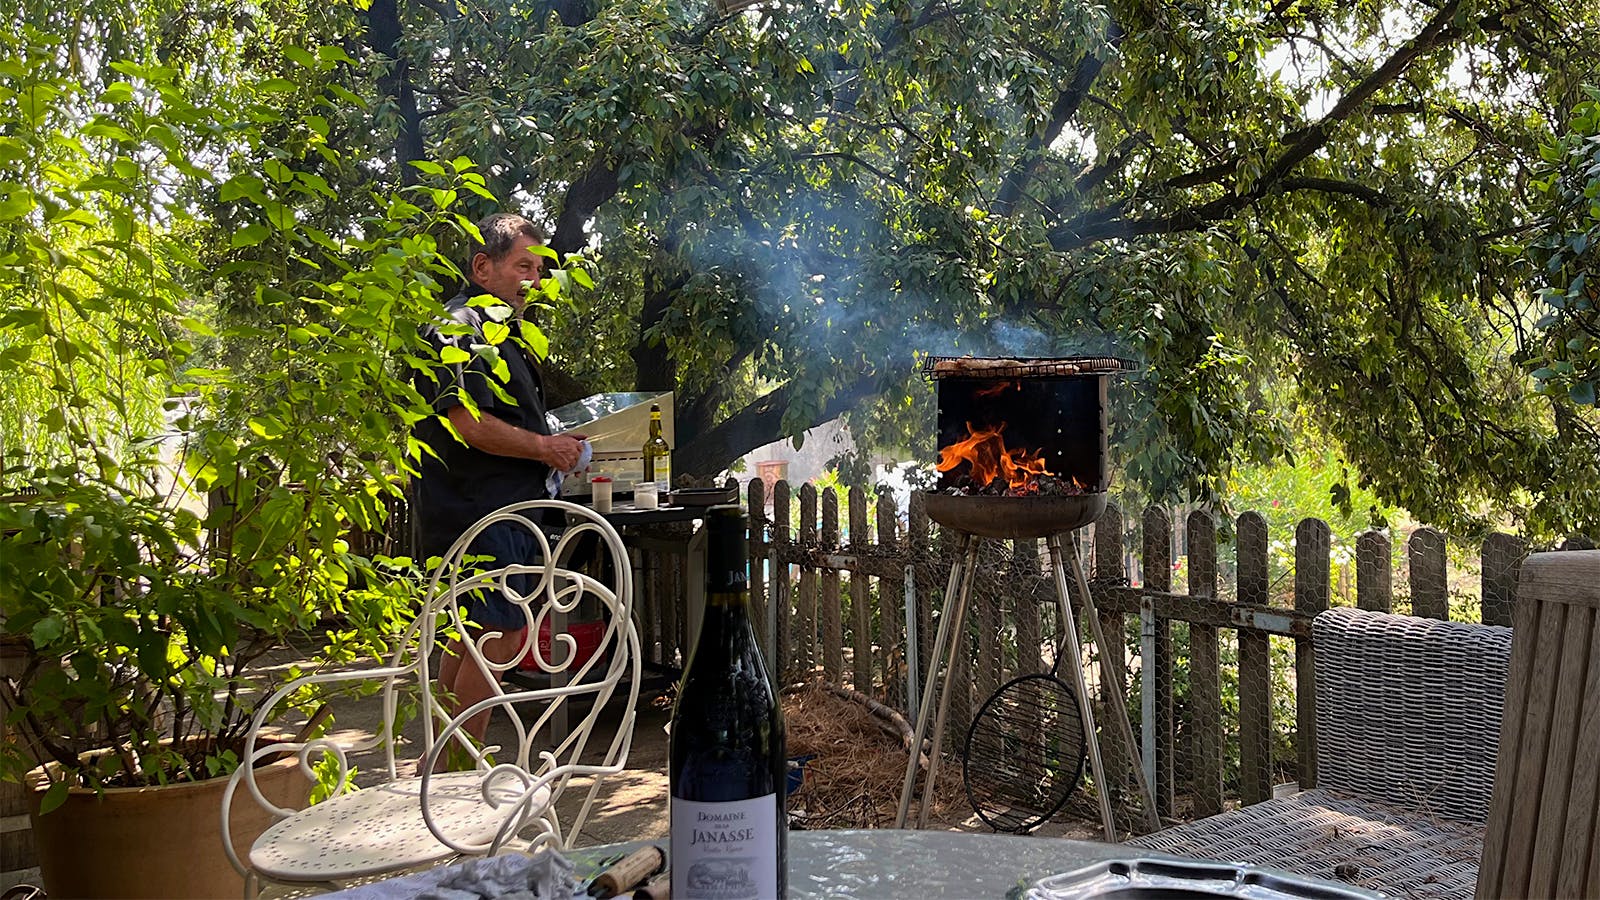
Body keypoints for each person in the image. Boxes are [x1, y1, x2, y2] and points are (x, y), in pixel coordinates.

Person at [412, 212, 587, 750]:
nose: (532, 281)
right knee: (502, 633)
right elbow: (467, 423)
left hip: (493, 510)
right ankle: (459, 769)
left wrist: (552, 440)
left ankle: (440, 769)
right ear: (482, 268)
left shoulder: (500, 336)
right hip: (479, 513)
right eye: (522, 266)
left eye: (539, 269)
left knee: (466, 638)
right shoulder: (457, 329)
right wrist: (544, 447)